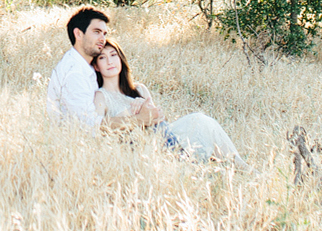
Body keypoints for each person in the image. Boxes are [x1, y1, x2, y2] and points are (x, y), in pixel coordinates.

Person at [91, 37, 241, 163]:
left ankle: (239, 165)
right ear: (96, 66)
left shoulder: (139, 89)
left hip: (162, 138)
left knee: (200, 120)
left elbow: (160, 122)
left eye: (113, 55)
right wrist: (131, 111)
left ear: (120, 59)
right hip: (139, 151)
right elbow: (98, 130)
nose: (109, 61)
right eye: (102, 58)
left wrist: (149, 108)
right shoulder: (101, 96)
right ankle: (186, 161)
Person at [45, 5, 112, 129]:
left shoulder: (86, 65)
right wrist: (136, 120)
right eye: (96, 32)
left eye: (104, 34)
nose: (102, 39)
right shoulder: (74, 72)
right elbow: (89, 125)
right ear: (78, 34)